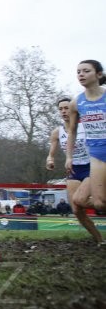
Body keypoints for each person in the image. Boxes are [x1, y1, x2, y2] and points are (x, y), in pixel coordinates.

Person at [47, 96, 102, 243]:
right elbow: (51, 153)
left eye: (67, 108)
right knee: (77, 210)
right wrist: (50, 160)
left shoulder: (85, 125)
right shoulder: (57, 132)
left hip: (91, 167)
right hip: (73, 170)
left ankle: (100, 202)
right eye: (61, 109)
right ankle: (100, 240)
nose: (64, 111)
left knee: (81, 199)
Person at [64, 60, 106, 215]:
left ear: (98, 74)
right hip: (96, 155)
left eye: (86, 71)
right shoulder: (76, 103)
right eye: (78, 71)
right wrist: (69, 157)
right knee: (99, 203)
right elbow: (72, 131)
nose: (81, 74)